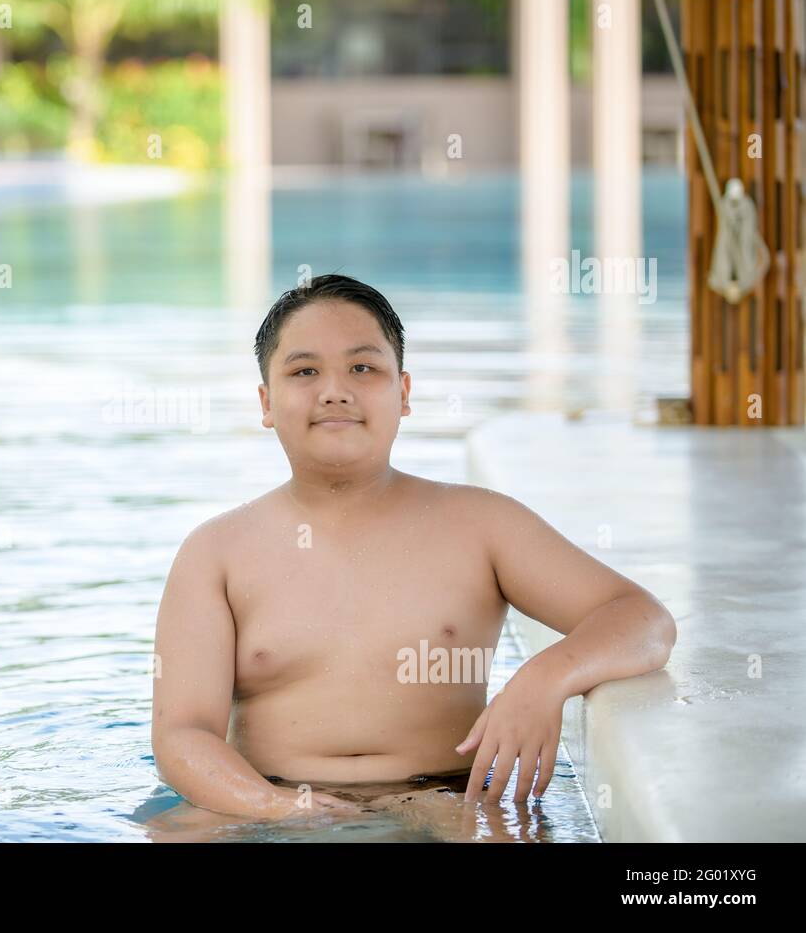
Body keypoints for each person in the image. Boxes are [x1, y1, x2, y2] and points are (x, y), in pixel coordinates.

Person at [149, 273, 677, 824]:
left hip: (445, 801)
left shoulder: (480, 524)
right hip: (265, 805)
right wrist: (277, 807)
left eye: (363, 367)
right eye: (305, 371)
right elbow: (183, 734)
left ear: (403, 394)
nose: (335, 390)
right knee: (176, 831)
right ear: (266, 402)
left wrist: (544, 679)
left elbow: (644, 620)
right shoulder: (216, 553)